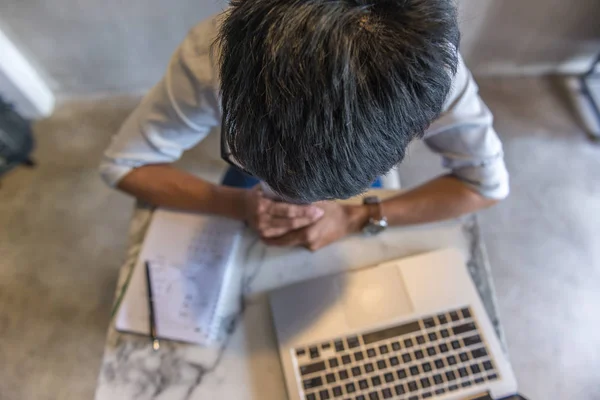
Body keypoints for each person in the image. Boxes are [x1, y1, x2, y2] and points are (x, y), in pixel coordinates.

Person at [100, 0, 508, 251]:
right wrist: (239, 205)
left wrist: (356, 217)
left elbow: (486, 184)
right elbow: (124, 165)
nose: (298, 208)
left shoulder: (435, 71)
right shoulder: (208, 57)